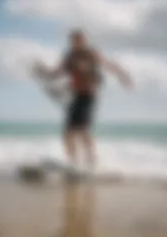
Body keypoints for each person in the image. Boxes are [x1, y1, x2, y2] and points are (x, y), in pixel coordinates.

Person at [36, 30, 133, 176]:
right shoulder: (69, 57)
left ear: (84, 40)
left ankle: (91, 163)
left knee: (82, 130)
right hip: (75, 97)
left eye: (79, 40)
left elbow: (108, 64)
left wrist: (123, 75)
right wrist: (43, 72)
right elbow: (56, 73)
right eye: (74, 41)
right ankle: (73, 164)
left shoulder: (91, 53)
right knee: (67, 133)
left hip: (89, 96)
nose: (77, 43)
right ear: (71, 42)